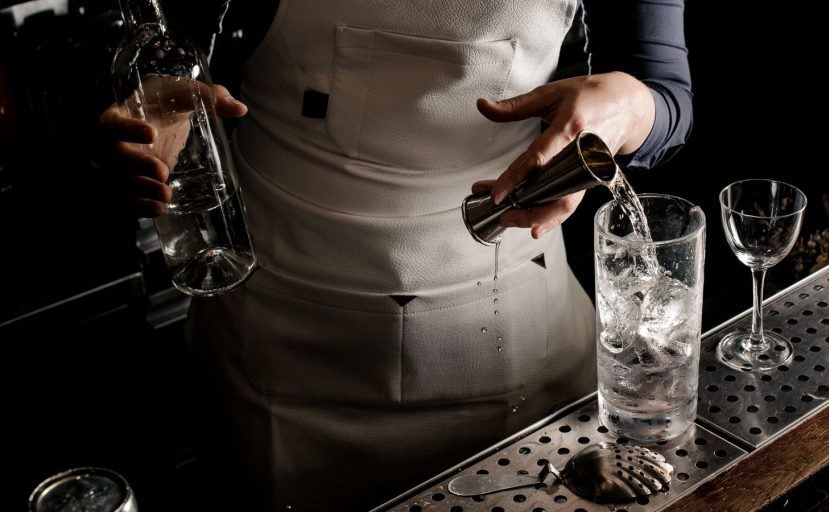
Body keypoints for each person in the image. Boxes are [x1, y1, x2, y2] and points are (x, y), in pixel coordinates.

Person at [98, 0, 692, 509]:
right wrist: (137, 128)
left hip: (516, 342)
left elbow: (668, 98)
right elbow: (150, 61)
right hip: (279, 350)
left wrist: (630, 108)